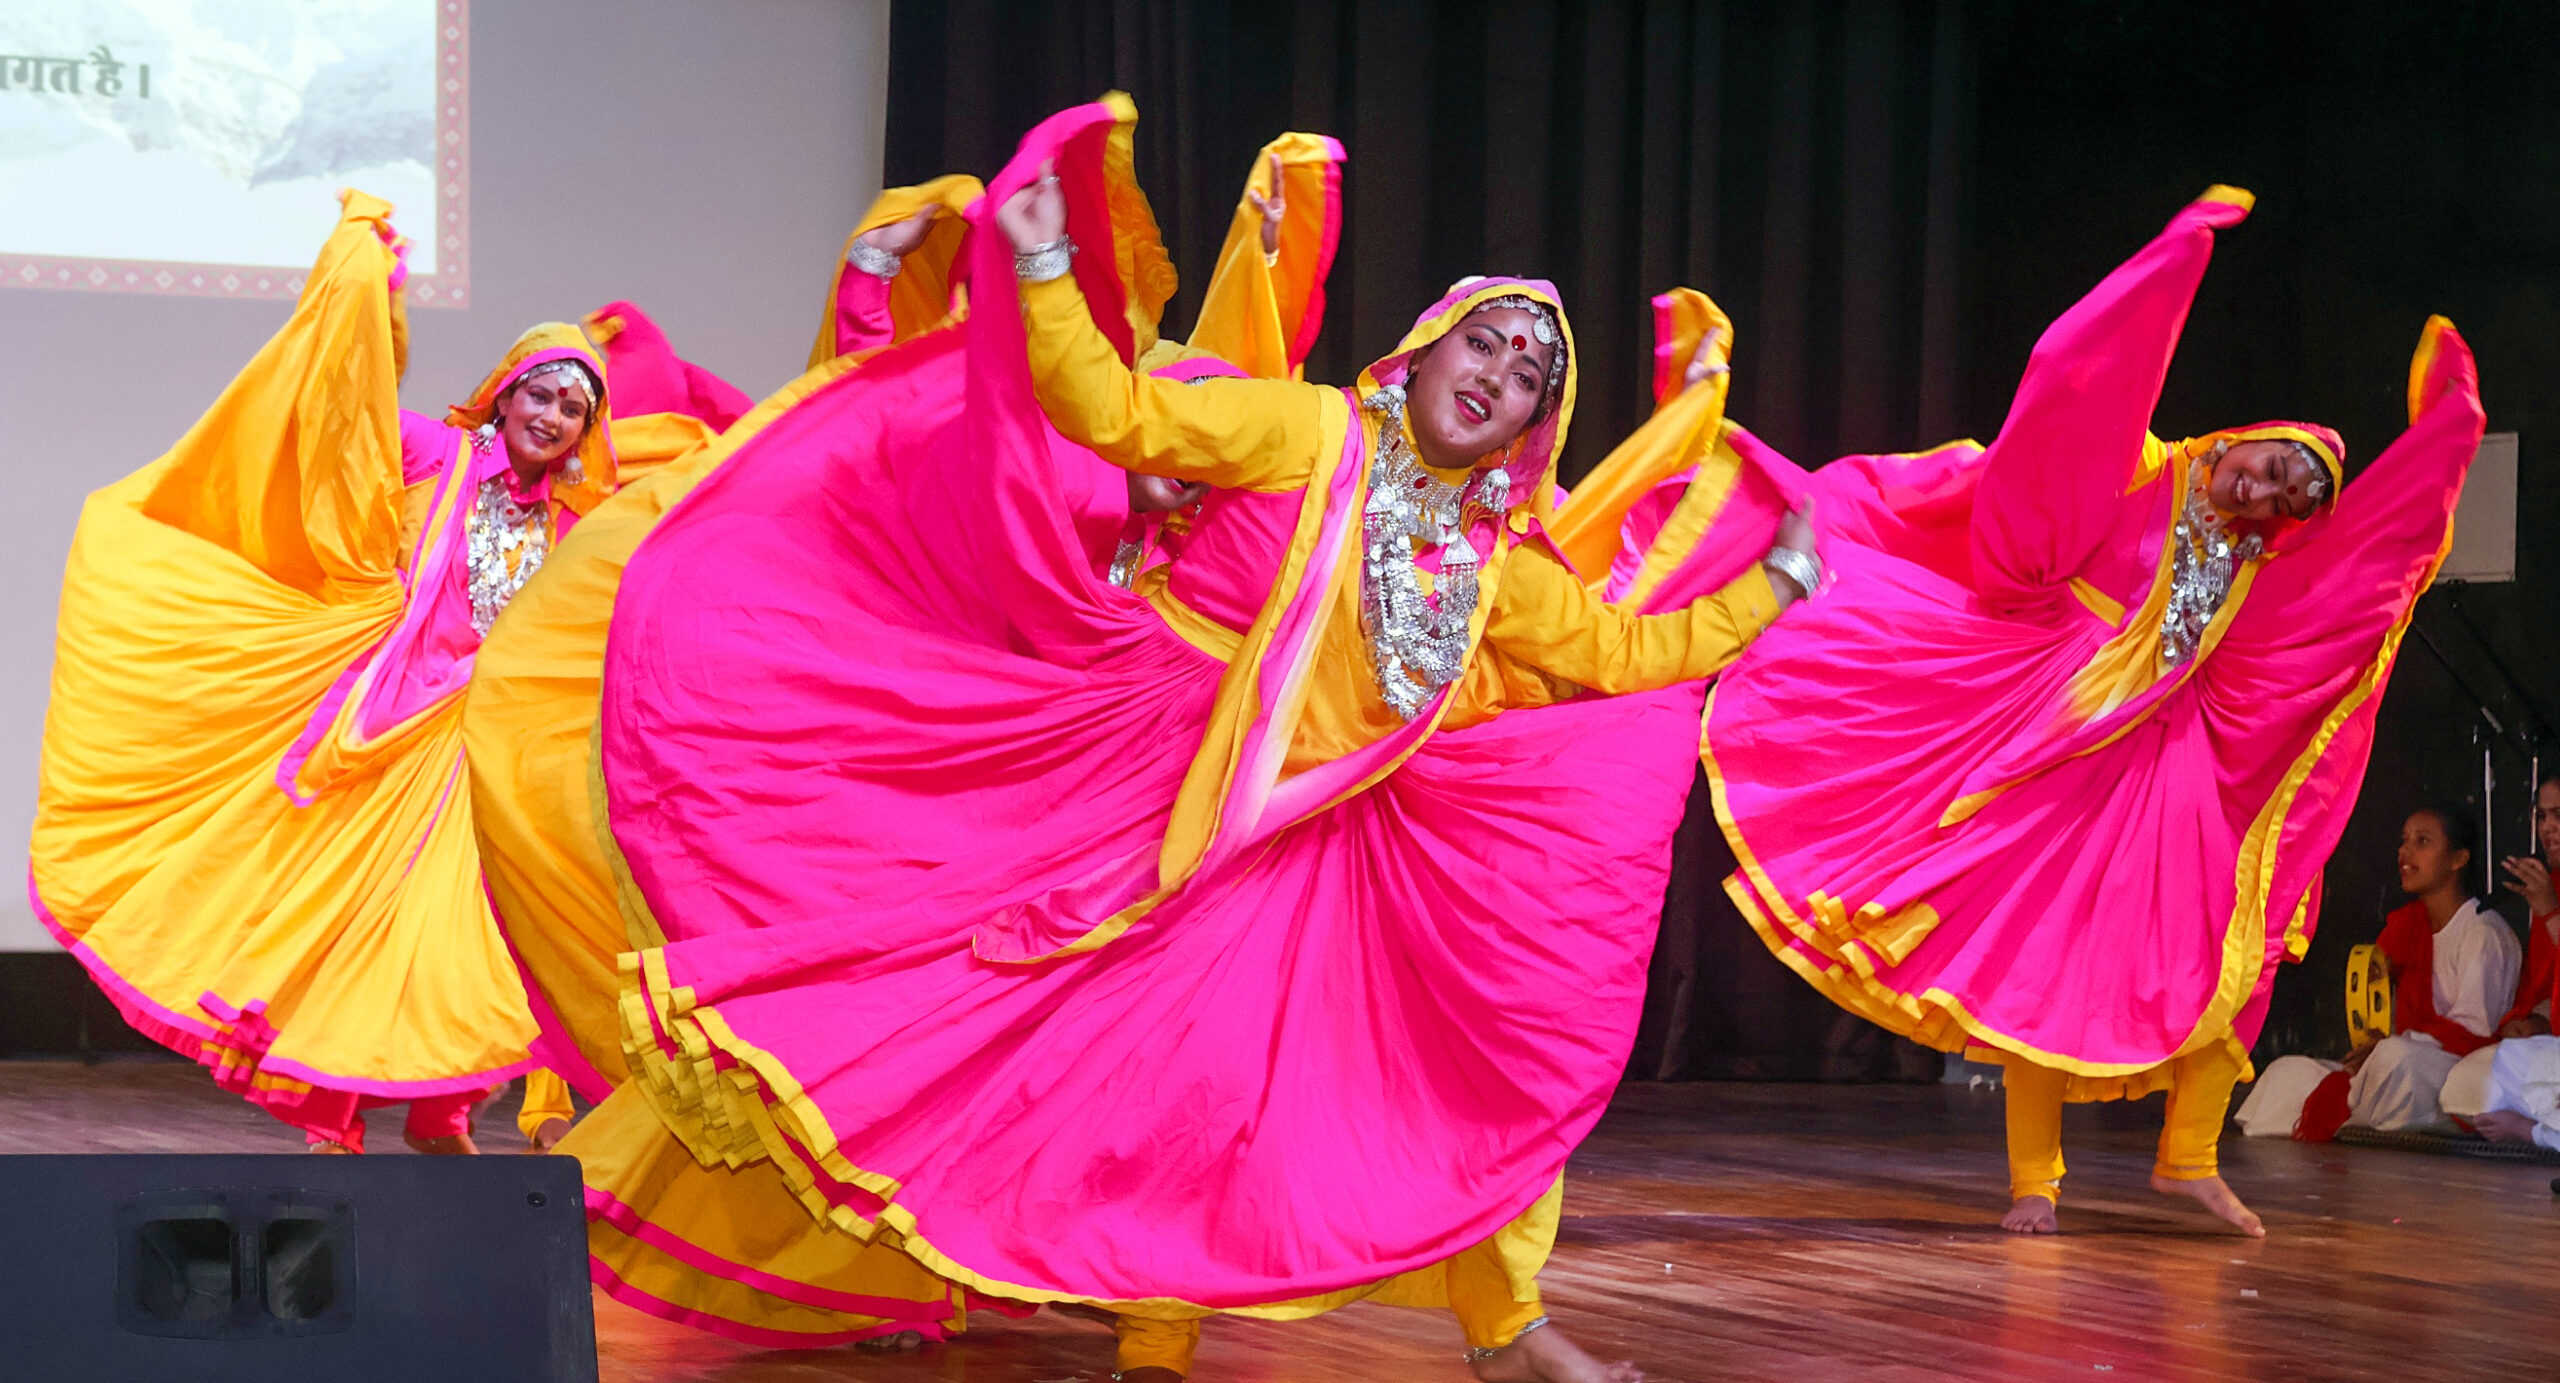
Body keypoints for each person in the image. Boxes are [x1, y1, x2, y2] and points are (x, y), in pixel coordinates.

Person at [555, 96, 1817, 1383]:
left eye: (1529, 377)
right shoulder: (1302, 429)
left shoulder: (1495, 565)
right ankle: (1150, 1331)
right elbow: (1115, 416)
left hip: (1317, 839)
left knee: (1412, 1069)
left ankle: (1498, 1331)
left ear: (1528, 428)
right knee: (1038, 1034)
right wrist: (1044, 263)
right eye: (1481, 345)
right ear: (1424, 353)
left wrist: (1771, 589)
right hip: (1143, 769)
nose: (1498, 375)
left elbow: (1622, 655)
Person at [467, 128, 1348, 1159]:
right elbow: (892, 419)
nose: (1183, 459)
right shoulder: (1072, 482)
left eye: (1201, 450)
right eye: (1171, 428)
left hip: (1082, 800)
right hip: (969, 764)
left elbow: (1258, 379)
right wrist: (875, 277)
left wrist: (1272, 235)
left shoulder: (1192, 557)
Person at [1681, 186, 2485, 1236]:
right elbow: (2078, 391)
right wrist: (2171, 263)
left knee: (2236, 945)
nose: (2271, 491)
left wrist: (2443, 436)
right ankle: (2033, 1184)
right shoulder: (2144, 473)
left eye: (2293, 498)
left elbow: (2362, 580)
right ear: (2248, 438)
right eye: (2276, 465)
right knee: (2038, 950)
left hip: (2164, 772)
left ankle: (2187, 1158)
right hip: (2048, 722)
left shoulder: (2258, 576)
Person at [31, 191, 623, 1153]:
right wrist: (368, 297)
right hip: (388, 733)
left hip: (483, 757)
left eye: (576, 407)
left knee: (468, 940)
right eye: (544, 394)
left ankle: (441, 1112)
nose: (556, 416)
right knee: (352, 923)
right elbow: (341, 410)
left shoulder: (571, 529)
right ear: (506, 391)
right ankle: (334, 1115)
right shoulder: (436, 452)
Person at [2244, 805, 2521, 1140]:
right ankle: (2354, 1121)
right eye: (2404, 841)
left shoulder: (2483, 932)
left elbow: (2475, 1032)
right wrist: (2375, 1047)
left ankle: (2352, 1118)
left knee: (2396, 1059)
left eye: (2422, 841)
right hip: (2400, 1059)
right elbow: (2382, 1022)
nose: (2405, 852)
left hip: (2457, 1071)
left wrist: (2391, 1046)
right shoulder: (2407, 927)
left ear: (2458, 859)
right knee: (2286, 1072)